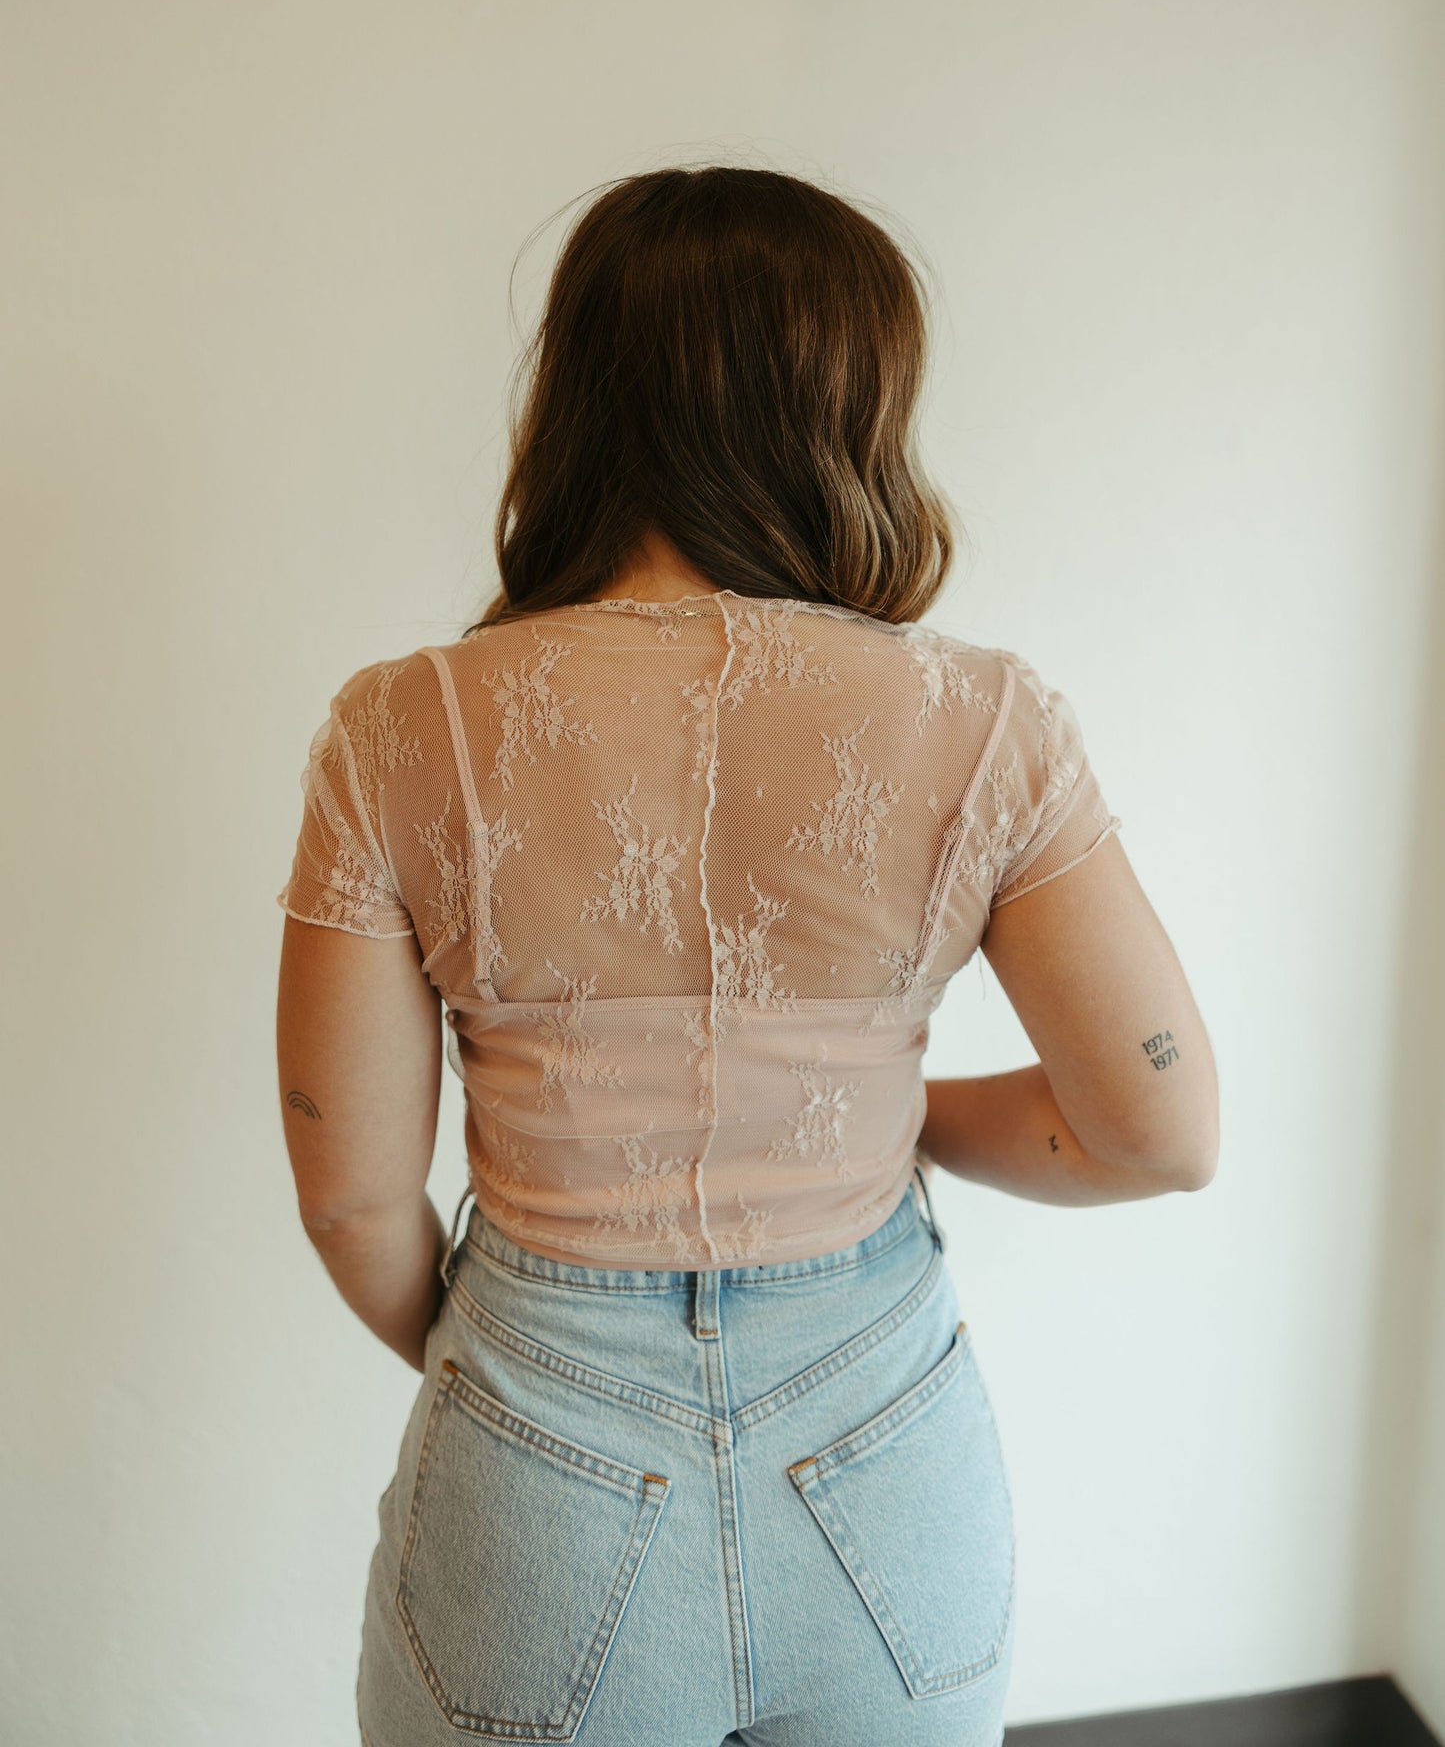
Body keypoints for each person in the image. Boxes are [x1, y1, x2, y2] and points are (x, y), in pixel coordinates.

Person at [275, 164, 1219, 1747]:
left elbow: (354, 1194)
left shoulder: (401, 725)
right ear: (849, 409)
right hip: (885, 1455)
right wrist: (883, 1115)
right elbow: (1160, 1132)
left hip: (540, 1445)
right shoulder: (985, 720)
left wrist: (497, 1364)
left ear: (575, 400)